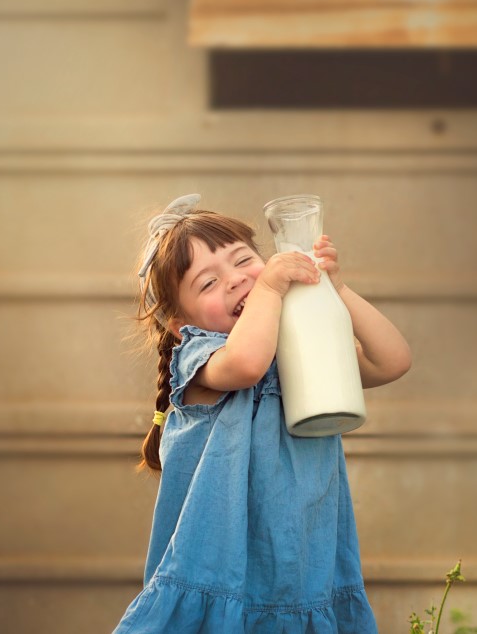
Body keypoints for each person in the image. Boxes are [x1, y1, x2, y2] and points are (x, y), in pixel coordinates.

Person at [113, 194, 411, 633]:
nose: (234, 281)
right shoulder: (201, 357)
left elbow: (392, 361)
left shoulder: (300, 349)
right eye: (207, 284)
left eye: (242, 261)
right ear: (180, 324)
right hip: (222, 574)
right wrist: (269, 288)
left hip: (301, 570)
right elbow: (248, 364)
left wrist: (337, 289)